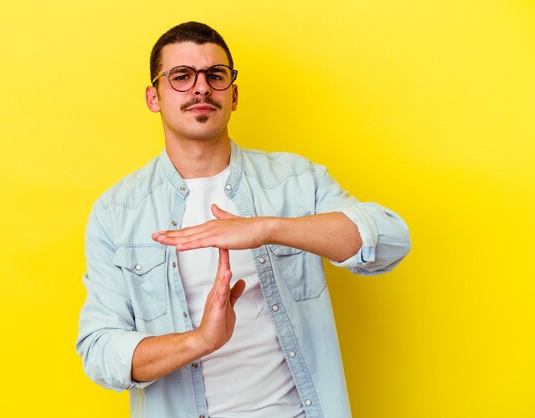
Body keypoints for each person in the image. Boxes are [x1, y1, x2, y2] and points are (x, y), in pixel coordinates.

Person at [76, 21, 411, 418]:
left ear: (233, 95)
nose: (201, 88)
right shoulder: (117, 213)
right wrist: (199, 341)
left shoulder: (296, 181)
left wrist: (268, 228)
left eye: (215, 76)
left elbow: (391, 240)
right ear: (154, 97)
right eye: (182, 76)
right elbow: (99, 350)